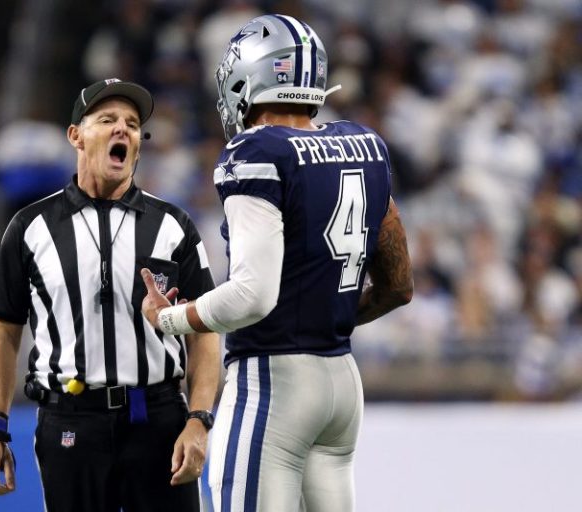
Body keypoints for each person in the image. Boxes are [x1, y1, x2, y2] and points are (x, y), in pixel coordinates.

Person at [141, 14, 413, 512]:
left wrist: (170, 318)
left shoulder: (256, 150)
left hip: (275, 383)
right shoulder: (365, 145)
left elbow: (252, 295)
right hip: (341, 384)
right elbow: (398, 285)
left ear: (251, 77)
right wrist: (321, 319)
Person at [0, 78, 221, 511]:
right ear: (76, 135)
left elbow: (204, 332)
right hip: (70, 420)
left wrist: (199, 419)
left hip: (158, 418)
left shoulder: (173, 226)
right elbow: (3, 331)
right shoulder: (31, 227)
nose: (122, 129)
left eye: (132, 124)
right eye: (107, 119)